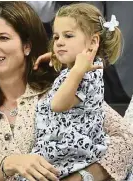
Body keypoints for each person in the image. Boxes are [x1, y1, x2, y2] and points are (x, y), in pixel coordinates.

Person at [0, 2, 133, 181]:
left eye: (3, 38)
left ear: (27, 46)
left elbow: (127, 141)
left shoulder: (60, 89)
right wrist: (10, 163)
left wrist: (81, 178)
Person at [23, 3, 122, 179]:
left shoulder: (85, 74)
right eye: (56, 37)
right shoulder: (82, 69)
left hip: (71, 156)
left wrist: (75, 71)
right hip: (63, 151)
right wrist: (60, 58)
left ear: (93, 42)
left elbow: (58, 104)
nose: (59, 42)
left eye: (68, 36)